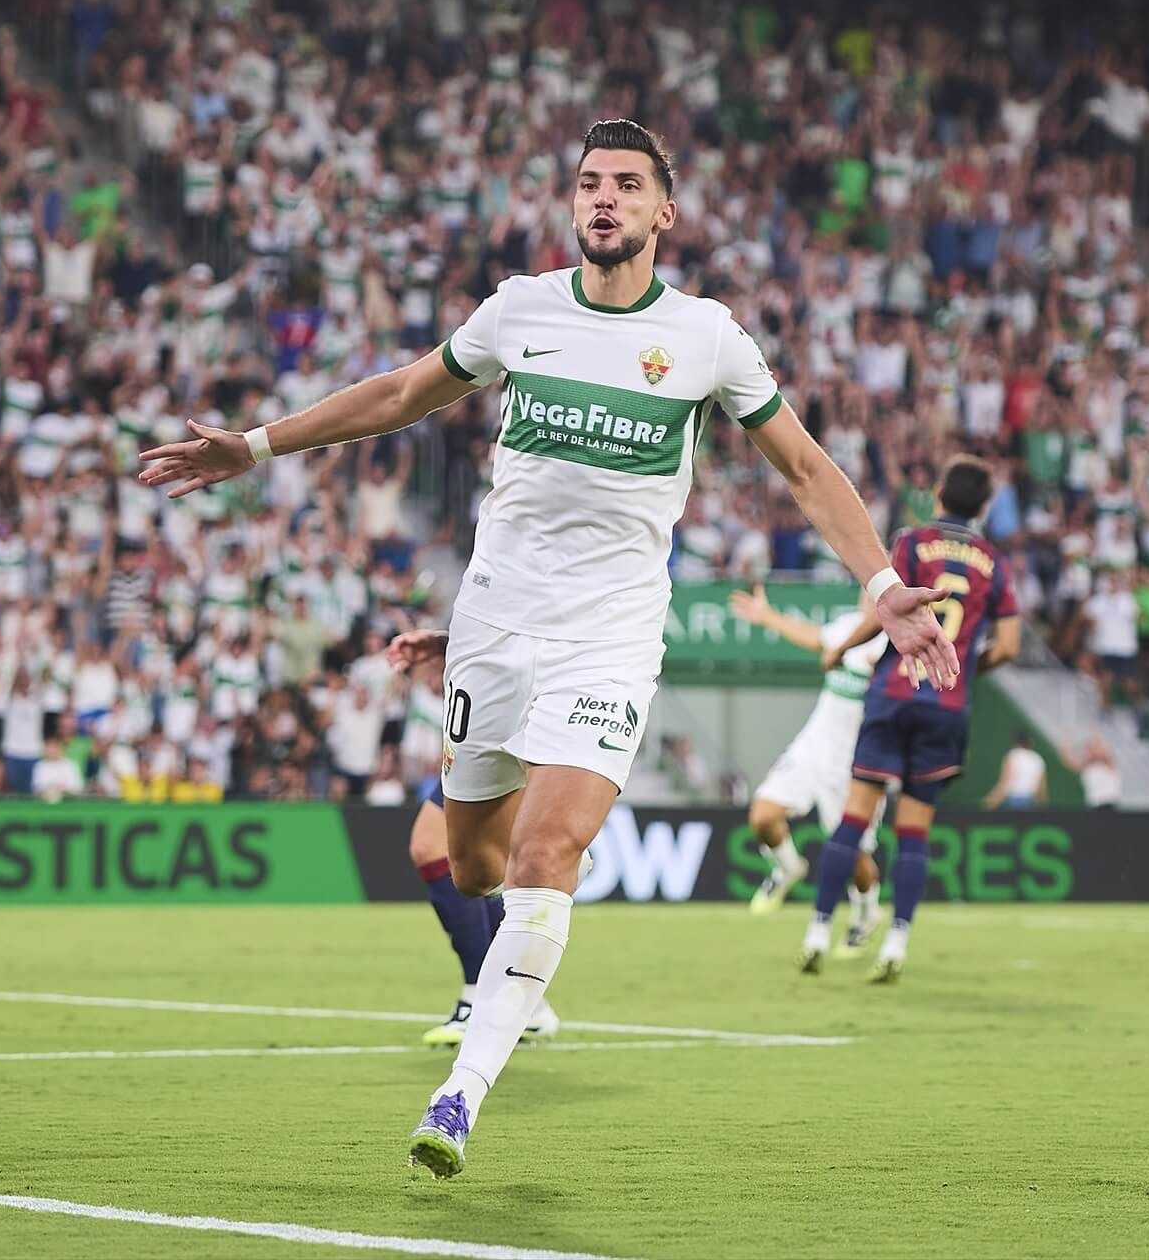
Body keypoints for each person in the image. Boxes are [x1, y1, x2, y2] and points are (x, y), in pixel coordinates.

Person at [138, 118, 956, 1178]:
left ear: (666, 211)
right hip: (495, 624)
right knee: (471, 857)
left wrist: (883, 584)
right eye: (587, 184)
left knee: (544, 854)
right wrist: (251, 446)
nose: (602, 199)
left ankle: (460, 1094)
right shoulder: (519, 310)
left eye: (625, 184)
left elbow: (803, 468)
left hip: (611, 636)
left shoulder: (708, 337)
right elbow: (395, 395)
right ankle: (502, 976)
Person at [806, 456, 1021, 983]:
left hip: (894, 693)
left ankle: (817, 930)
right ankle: (897, 942)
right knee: (914, 830)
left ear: (939, 493)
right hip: (946, 707)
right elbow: (1010, 646)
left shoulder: (911, 541)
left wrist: (838, 652)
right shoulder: (995, 561)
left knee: (855, 818)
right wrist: (963, 670)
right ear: (985, 506)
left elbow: (885, 611)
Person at [384, 628, 561, 1047]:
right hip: (486, 714)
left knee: (454, 853)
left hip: (515, 717)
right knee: (472, 860)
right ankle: (519, 1001)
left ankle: (482, 997)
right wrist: (448, 643)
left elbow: (536, 621)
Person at [729, 583, 890, 955]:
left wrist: (880, 678)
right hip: (814, 748)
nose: (867, 597)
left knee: (853, 856)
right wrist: (767, 616)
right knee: (763, 816)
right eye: (867, 590)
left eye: (876, 592)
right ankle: (787, 868)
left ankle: (867, 912)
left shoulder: (894, 646)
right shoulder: (848, 627)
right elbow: (815, 637)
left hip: (860, 764)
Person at [983, 730, 1048, 809]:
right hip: (1030, 800)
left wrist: (991, 802)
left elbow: (1005, 781)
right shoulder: (1037, 758)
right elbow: (1041, 787)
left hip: (1013, 799)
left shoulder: (1013, 755)